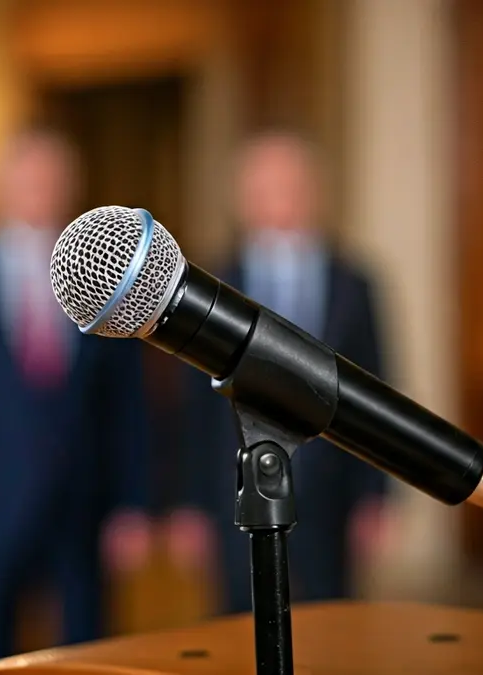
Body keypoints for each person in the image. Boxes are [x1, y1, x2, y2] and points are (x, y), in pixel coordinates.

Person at [0, 127, 153, 665]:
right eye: (26, 178)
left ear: (72, 187)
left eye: (51, 178)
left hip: (84, 502)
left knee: (90, 652)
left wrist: (133, 503)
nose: (38, 190)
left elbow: (126, 402)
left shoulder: (106, 274)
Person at [166, 130, 391, 612]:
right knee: (239, 620)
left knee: (332, 619)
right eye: (264, 187)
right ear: (240, 199)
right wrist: (187, 504)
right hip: (234, 495)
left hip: (330, 494)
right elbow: (191, 408)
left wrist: (376, 494)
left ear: (316, 192)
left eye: (291, 185)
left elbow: (376, 392)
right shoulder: (208, 286)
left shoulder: (353, 285)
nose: (279, 200)